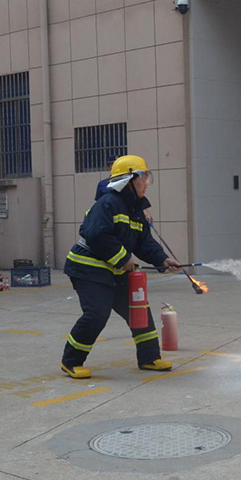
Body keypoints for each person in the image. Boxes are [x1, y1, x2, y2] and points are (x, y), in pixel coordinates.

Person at [61, 155, 180, 379]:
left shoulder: (135, 209)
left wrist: (162, 259)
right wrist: (123, 258)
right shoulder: (108, 204)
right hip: (88, 269)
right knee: (97, 313)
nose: (146, 183)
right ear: (128, 180)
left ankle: (149, 358)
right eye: (143, 177)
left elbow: (144, 242)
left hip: (115, 270)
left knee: (139, 311)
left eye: (147, 178)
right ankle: (71, 361)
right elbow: (97, 235)